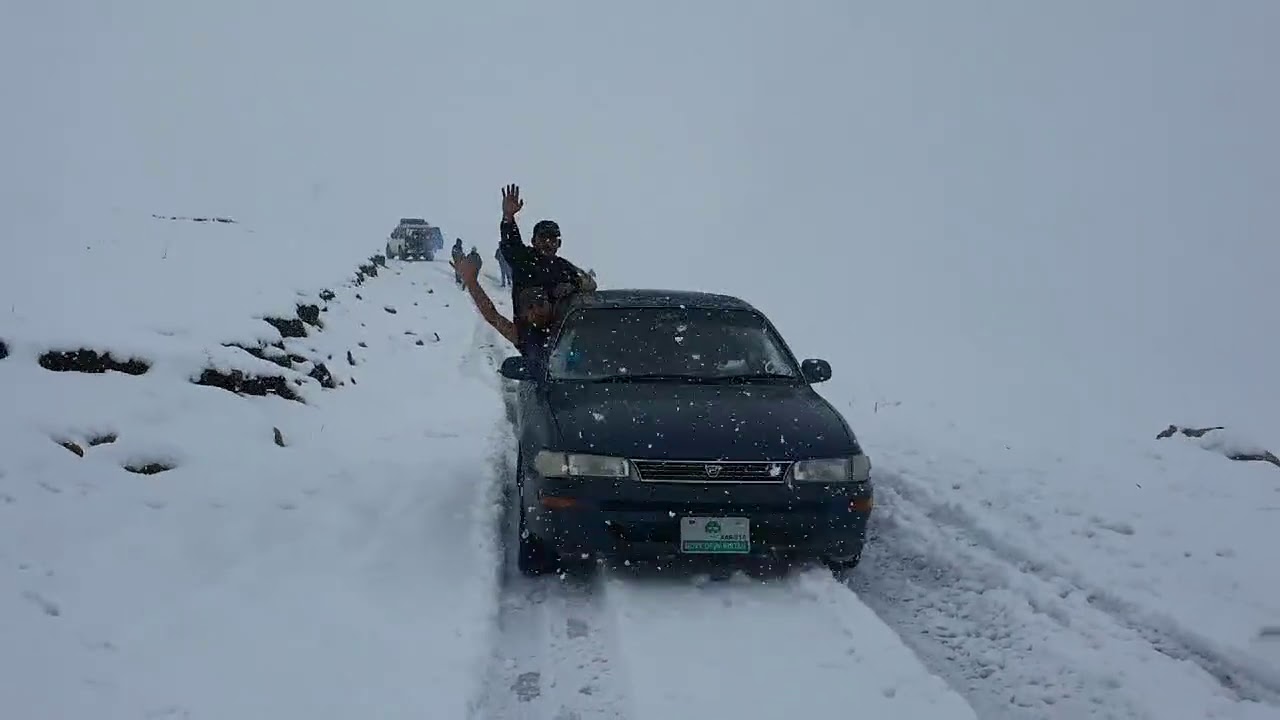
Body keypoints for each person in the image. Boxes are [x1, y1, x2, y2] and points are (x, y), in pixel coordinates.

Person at [498, 184, 596, 318]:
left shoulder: (564, 267)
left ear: (559, 243)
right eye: (543, 238)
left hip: (561, 334)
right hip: (529, 334)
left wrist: (573, 286)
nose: (548, 243)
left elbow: (589, 284)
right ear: (533, 241)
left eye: (552, 239)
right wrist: (508, 217)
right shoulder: (524, 260)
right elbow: (510, 244)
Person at [452, 253, 563, 362]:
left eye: (540, 303)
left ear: (550, 304)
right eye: (529, 307)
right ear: (524, 314)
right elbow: (492, 316)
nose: (536, 310)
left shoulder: (566, 324)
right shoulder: (524, 336)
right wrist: (472, 282)